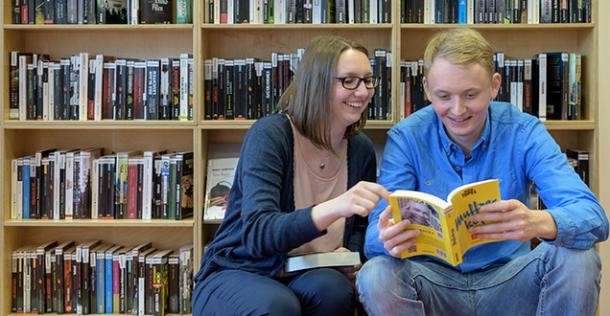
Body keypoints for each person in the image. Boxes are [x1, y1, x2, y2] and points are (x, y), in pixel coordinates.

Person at [356, 28, 608, 316]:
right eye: (443, 96)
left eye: (471, 94)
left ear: (495, 85)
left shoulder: (524, 131)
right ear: (426, 88)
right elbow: (373, 241)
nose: (458, 109)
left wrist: (538, 222)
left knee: (580, 259)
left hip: (511, 281)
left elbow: (593, 217)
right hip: (433, 283)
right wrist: (389, 238)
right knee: (377, 273)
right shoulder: (407, 137)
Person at [192, 35, 390, 315]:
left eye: (368, 79)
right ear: (316, 84)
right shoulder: (271, 135)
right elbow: (257, 233)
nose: (363, 91)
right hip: (242, 268)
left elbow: (358, 225)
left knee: (335, 290)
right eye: (349, 80)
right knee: (278, 306)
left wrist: (349, 257)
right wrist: (334, 207)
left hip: (304, 270)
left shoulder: (360, 149)